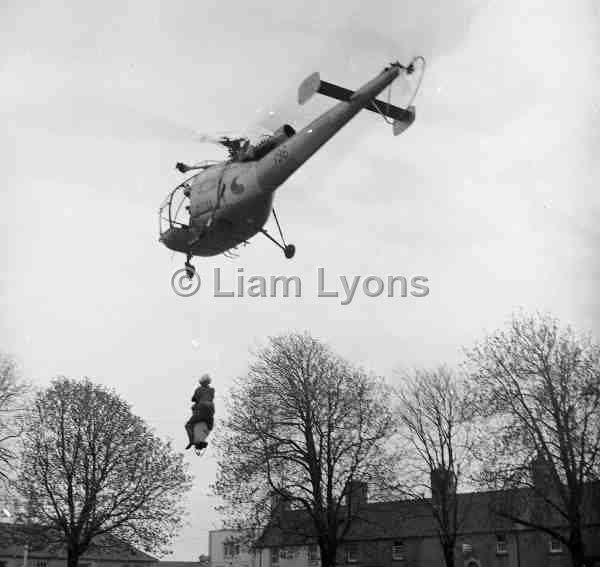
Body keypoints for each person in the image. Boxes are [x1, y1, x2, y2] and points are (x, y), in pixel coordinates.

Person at [185, 374, 215, 452]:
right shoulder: (212, 390)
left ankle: (192, 440)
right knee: (209, 427)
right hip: (211, 410)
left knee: (188, 425)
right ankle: (201, 439)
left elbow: (194, 399)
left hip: (201, 409)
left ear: (201, 382)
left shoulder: (199, 389)